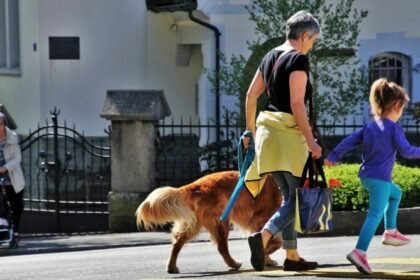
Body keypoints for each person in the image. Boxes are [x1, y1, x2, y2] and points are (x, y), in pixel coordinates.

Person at [242, 10, 322, 272]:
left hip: (267, 134)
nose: (312, 46)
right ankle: (263, 237)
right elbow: (297, 104)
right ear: (305, 35)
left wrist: (250, 132)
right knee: (298, 199)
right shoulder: (298, 59)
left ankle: (292, 256)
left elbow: (252, 95)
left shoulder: (269, 56)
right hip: (288, 135)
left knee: (289, 196)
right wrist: (312, 142)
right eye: (313, 41)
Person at [324, 78, 419, 274]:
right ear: (396, 106)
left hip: (367, 177)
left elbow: (349, 140)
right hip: (380, 180)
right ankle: (359, 251)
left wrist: (334, 155)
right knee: (374, 214)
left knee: (396, 193)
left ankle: (391, 231)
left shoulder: (370, 127)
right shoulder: (394, 128)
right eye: (402, 108)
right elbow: (407, 151)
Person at [0, 112, 25, 247]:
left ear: (4, 125)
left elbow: (17, 158)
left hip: (13, 177)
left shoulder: (12, 137)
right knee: (2, 207)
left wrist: (5, 168)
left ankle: (15, 232)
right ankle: (3, 232)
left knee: (17, 207)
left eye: (0, 124)